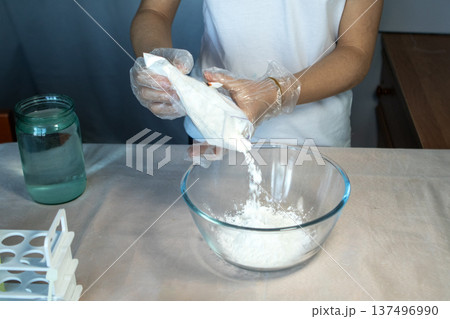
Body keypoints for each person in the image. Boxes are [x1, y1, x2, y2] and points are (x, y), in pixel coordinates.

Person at [130, 0, 384, 148]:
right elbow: (155, 11)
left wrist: (276, 93)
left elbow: (356, 52)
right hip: (214, 131)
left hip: (316, 138)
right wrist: (159, 65)